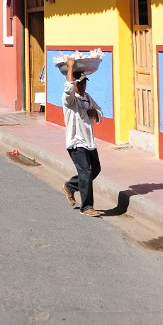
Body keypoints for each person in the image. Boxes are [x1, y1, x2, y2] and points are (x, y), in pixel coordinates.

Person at [61, 56, 104, 217]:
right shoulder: (70, 100)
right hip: (76, 141)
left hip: (88, 141)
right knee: (85, 172)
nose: (83, 85)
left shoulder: (87, 98)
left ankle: (71, 186)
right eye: (80, 83)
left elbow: (100, 111)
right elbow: (68, 89)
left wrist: (95, 113)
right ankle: (86, 207)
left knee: (96, 169)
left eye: (85, 82)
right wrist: (70, 67)